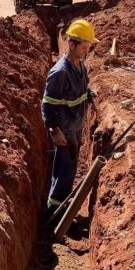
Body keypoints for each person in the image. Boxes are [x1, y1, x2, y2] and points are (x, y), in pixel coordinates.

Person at [41, 19, 98, 217]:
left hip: (76, 127)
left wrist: (89, 94)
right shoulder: (60, 73)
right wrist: (55, 131)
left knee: (69, 171)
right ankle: (54, 216)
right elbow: (47, 105)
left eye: (88, 47)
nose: (86, 51)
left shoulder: (80, 67)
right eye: (83, 47)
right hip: (64, 131)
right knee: (63, 175)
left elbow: (79, 90)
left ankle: (61, 211)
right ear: (71, 44)